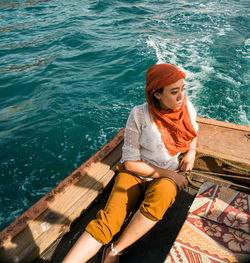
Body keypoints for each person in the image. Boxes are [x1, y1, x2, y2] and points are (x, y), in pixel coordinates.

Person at [62, 63, 198, 263]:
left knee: (163, 194)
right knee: (110, 217)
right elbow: (131, 165)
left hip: (165, 177)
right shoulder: (139, 114)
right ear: (157, 94)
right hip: (136, 173)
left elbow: (194, 130)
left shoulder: (186, 108)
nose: (181, 97)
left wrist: (191, 153)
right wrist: (171, 174)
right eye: (174, 92)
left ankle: (114, 250)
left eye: (183, 90)